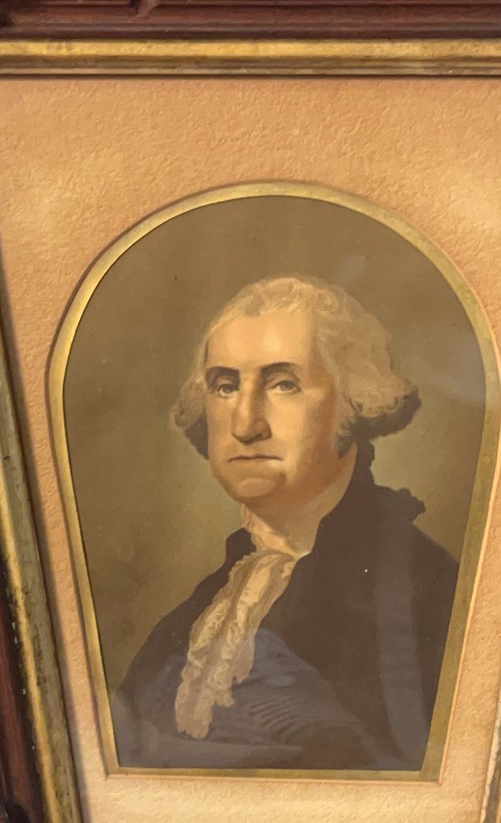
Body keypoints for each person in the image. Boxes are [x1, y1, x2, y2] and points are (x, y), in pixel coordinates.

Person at [113, 274, 460, 771]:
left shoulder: (419, 589)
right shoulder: (209, 602)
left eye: (283, 384)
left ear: (355, 400)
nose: (245, 424)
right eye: (225, 386)